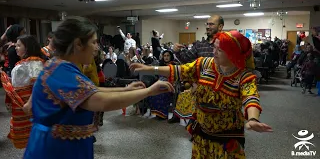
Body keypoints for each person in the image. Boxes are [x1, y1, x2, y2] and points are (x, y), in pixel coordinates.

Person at [23, 17, 173, 159]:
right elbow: (100, 101)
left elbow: (90, 91)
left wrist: (126, 90)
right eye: (94, 42)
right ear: (78, 44)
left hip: (62, 145)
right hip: (56, 149)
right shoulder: (61, 71)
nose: (97, 47)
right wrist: (148, 91)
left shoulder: (60, 65)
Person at [130, 31, 272, 158]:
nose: (214, 52)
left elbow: (251, 98)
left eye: (220, 50)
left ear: (233, 53)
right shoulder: (205, 64)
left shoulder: (244, 76)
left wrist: (253, 119)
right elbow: (180, 70)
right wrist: (149, 68)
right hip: (202, 136)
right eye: (214, 47)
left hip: (226, 140)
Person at [169, 15, 224, 123]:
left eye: (211, 24)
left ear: (220, 26)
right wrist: (177, 51)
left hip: (220, 88)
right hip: (200, 88)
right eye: (207, 24)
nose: (208, 26)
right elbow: (186, 60)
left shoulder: (226, 44)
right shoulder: (200, 45)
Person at [1, 35, 45, 149]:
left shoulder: (34, 62)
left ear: (27, 47)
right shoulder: (26, 62)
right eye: (16, 45)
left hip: (27, 104)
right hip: (21, 104)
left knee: (35, 137)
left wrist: (29, 104)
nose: (16, 47)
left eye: (19, 45)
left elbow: (38, 84)